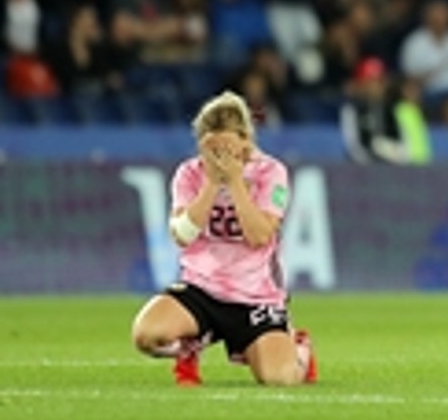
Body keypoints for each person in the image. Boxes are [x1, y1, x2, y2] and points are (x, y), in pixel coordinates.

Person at [130, 91, 318, 386]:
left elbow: (259, 235)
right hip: (202, 288)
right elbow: (182, 235)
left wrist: (234, 182)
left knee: (279, 379)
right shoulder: (190, 174)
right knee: (147, 336)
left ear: (246, 140)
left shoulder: (270, 172)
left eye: (229, 149)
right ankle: (191, 345)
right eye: (214, 151)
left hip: (256, 296)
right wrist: (212, 184)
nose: (222, 158)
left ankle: (299, 347)